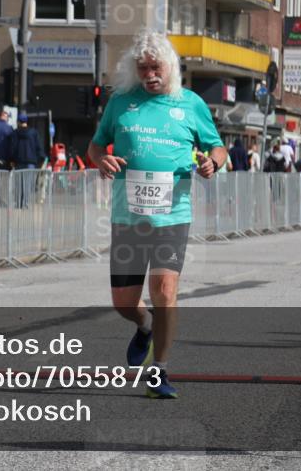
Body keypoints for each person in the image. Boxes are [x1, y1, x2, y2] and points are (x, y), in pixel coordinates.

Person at [87, 30, 227, 399]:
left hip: (172, 215)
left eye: (156, 67)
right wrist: (101, 159)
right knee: (123, 302)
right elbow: (96, 146)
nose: (150, 74)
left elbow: (217, 147)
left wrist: (212, 163)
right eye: (143, 68)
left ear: (171, 67)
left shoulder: (190, 103)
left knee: (164, 290)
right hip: (128, 217)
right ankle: (145, 325)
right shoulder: (121, 103)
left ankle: (159, 371)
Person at [7, 112, 45, 208]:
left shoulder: (15, 133)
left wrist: (11, 160)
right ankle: (26, 203)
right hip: (31, 163)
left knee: (18, 183)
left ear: (18, 122)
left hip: (18, 162)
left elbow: (12, 148)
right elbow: (39, 147)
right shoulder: (34, 133)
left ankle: (18, 203)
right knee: (28, 183)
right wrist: (40, 160)